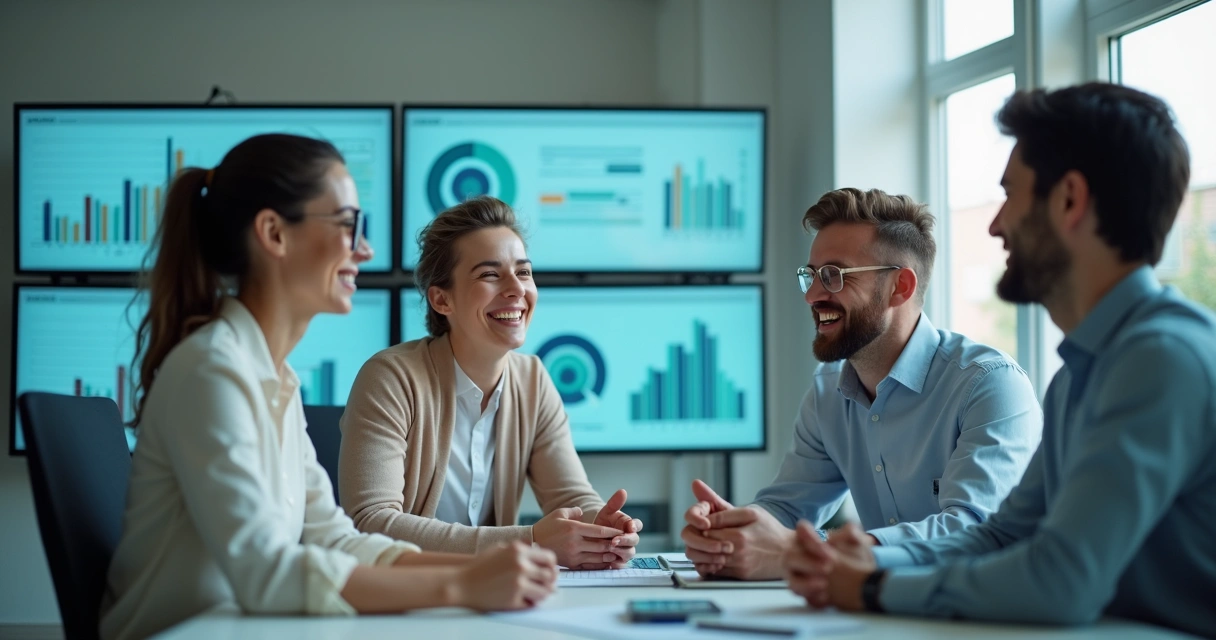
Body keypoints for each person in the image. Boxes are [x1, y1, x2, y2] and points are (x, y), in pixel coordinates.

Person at [784, 83, 1216, 638]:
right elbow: (1003, 535)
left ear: (1069, 201)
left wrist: (873, 588)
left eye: (1011, 195)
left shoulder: (1160, 361)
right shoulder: (1085, 371)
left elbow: (1061, 579)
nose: (995, 224)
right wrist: (864, 563)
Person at [101, 135, 556, 640]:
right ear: (274, 233)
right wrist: (460, 586)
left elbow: (335, 538)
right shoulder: (211, 371)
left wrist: (469, 574)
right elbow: (265, 574)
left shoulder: (275, 378)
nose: (365, 249)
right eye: (346, 226)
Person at [681, 188, 1042, 580]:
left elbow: (972, 531)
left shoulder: (990, 387)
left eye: (834, 276)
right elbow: (786, 510)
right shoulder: (827, 394)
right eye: (811, 276)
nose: (814, 296)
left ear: (900, 287)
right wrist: (732, 531)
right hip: (879, 610)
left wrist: (809, 551)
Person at [339, 196, 642, 569]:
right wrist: (529, 541)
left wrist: (604, 528)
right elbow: (370, 524)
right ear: (441, 299)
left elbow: (572, 497)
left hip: (490, 597)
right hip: (407, 599)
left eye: (524, 272)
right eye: (489, 274)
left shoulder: (533, 381)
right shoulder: (390, 378)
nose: (516, 289)